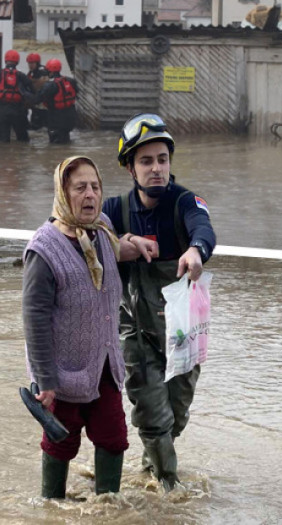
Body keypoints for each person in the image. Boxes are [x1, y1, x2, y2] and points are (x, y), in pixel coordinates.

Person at [23, 156, 158, 498]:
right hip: (63, 375)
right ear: (62, 193)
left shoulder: (102, 230)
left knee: (114, 439)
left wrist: (134, 244)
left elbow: (113, 251)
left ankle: (107, 510)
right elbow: (34, 320)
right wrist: (46, 381)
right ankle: (50, 508)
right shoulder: (44, 250)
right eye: (80, 187)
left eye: (95, 187)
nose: (90, 195)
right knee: (59, 445)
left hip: (104, 366)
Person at [102, 113, 216, 491]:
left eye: (162, 160)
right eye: (146, 161)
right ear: (130, 168)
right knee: (153, 416)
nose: (157, 169)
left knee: (175, 417)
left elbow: (204, 229)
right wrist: (120, 246)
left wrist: (196, 251)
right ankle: (171, 492)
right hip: (135, 329)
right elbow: (73, 237)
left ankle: (149, 468)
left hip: (183, 331)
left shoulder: (185, 202)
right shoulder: (114, 211)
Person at [33, 59, 79, 144]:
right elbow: (76, 92)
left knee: (55, 145)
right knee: (66, 140)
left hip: (56, 119)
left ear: (50, 71)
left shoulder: (50, 85)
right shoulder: (70, 81)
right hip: (70, 118)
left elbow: (36, 100)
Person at [26, 53, 49, 131]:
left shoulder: (43, 72)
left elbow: (42, 85)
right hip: (36, 104)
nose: (30, 65)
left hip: (43, 105)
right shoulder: (31, 73)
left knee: (40, 126)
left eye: (32, 63)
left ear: (37, 63)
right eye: (29, 63)